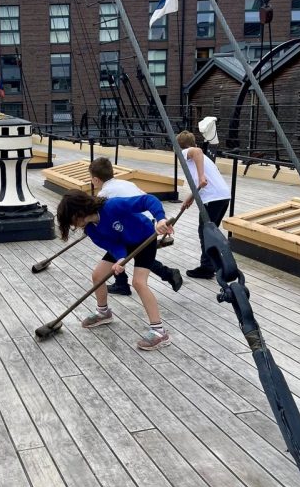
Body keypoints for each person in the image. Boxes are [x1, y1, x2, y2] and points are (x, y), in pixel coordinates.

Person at [56, 189, 174, 350]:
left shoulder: (112, 206)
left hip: (145, 238)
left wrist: (161, 219)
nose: (72, 225)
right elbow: (112, 245)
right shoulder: (91, 229)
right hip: (122, 242)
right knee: (98, 275)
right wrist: (120, 258)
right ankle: (103, 313)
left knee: (139, 282)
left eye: (71, 220)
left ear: (79, 212)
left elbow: (148, 200)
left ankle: (159, 332)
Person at [89, 157, 182, 296]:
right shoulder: (125, 183)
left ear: (96, 180)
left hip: (137, 223)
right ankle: (126, 282)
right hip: (149, 219)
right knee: (137, 253)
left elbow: (108, 218)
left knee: (119, 247)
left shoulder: (103, 194)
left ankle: (124, 283)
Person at [176, 130, 231, 278]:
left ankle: (207, 267)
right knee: (211, 232)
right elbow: (198, 181)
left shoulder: (187, 152)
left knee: (205, 231)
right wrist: (191, 197)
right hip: (222, 196)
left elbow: (197, 151)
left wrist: (201, 176)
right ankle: (216, 264)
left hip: (213, 198)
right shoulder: (203, 159)